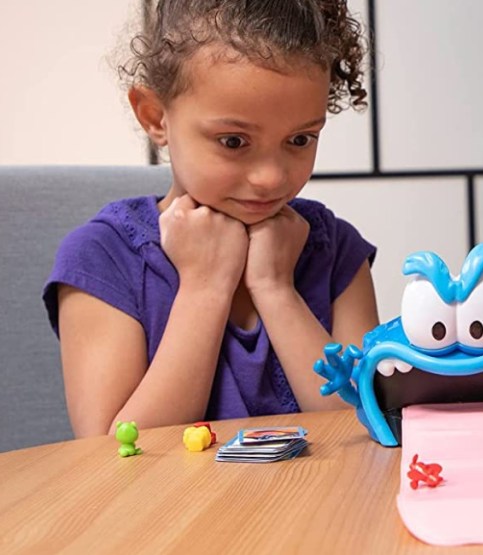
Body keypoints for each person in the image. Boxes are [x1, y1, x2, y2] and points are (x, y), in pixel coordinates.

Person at [43, 0, 379, 437]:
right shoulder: (101, 258)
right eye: (234, 141)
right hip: (164, 508)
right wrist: (205, 288)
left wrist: (276, 290)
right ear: (155, 117)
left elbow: (368, 425)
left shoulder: (335, 251)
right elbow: (113, 455)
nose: (271, 177)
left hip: (315, 504)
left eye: (300, 138)